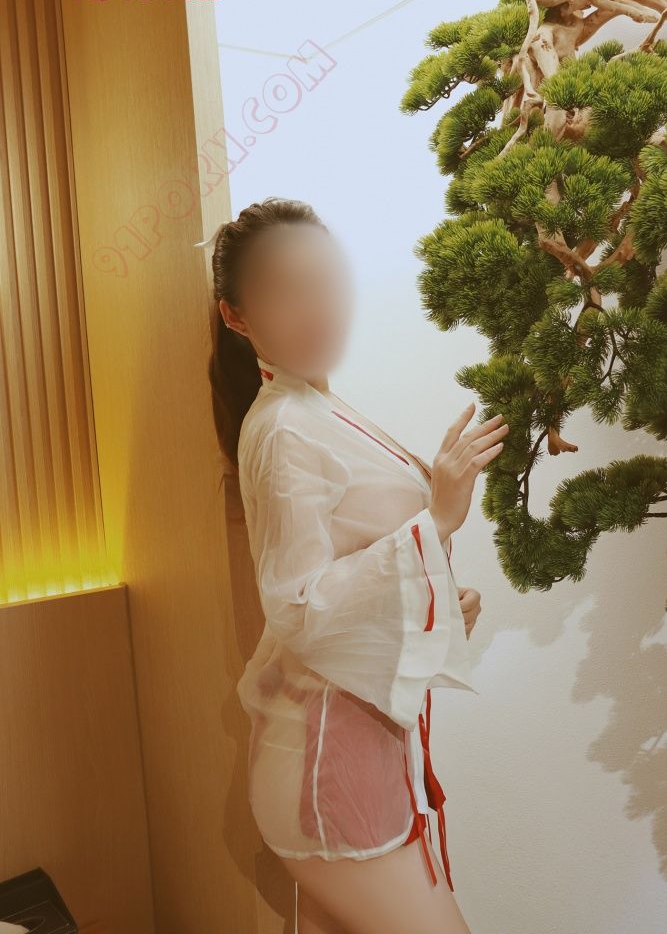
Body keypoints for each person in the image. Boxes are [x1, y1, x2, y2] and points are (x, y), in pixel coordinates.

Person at [205, 197, 508, 934]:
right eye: (285, 290)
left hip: (353, 755)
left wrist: (435, 603)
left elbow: (352, 572)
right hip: (330, 767)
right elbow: (300, 607)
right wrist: (436, 520)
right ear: (237, 316)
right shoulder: (284, 426)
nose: (315, 307)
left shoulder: (317, 409)